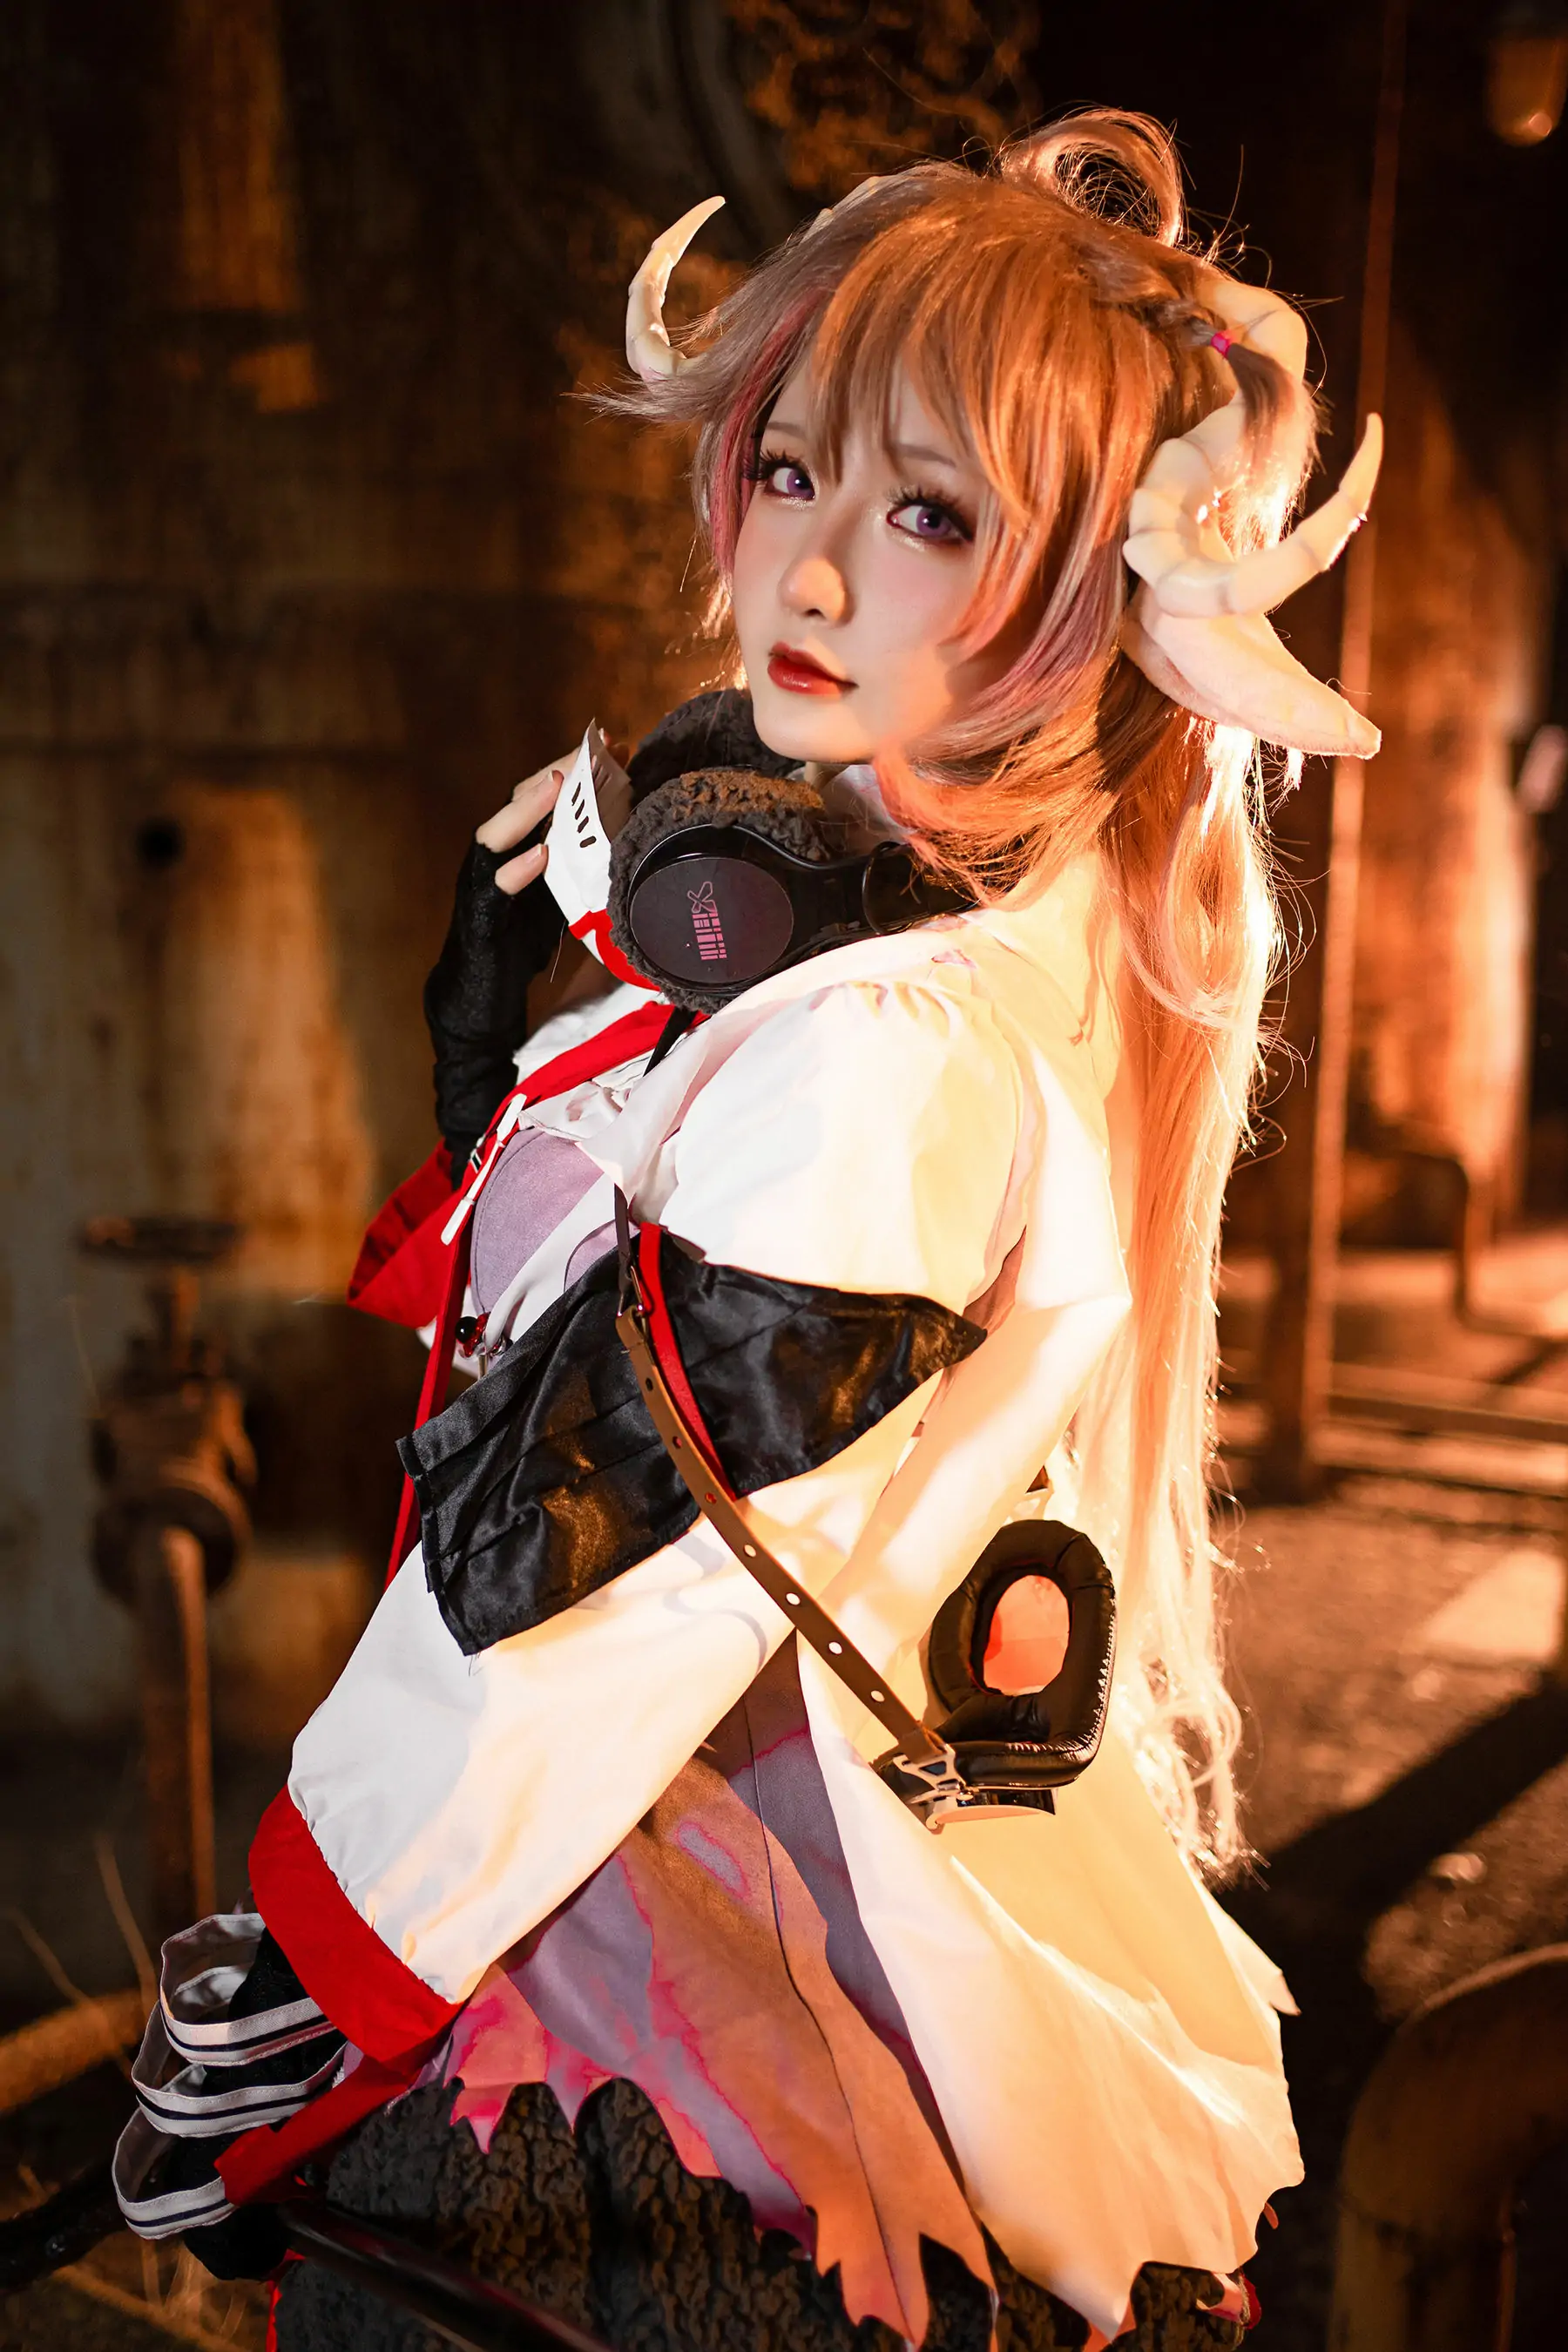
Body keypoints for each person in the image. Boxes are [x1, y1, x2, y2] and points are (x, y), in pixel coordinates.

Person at [112, 110, 1382, 2351]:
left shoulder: (887, 1044)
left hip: (648, 1880)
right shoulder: (907, 940)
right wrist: (556, 1006)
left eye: (928, 514)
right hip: (691, 1834)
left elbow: (598, 1561)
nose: (805, 575)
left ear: (1092, 600)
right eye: (789, 472)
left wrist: (312, 1959)